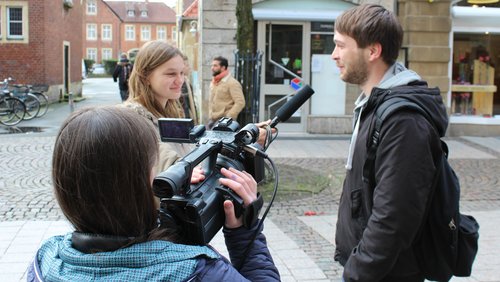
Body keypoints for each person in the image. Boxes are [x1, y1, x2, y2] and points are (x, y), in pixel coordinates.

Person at [27, 106, 280, 282]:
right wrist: (245, 232)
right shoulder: (200, 271)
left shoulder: (45, 262)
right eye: (155, 170)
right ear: (139, 184)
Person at [331, 4, 448, 282]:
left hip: (386, 273)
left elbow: (394, 217)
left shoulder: (403, 121)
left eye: (340, 46)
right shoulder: (374, 105)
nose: (334, 55)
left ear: (373, 51)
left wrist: (357, 274)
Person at [123, 40, 191, 173]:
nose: (180, 80)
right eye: (171, 74)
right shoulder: (131, 120)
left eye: (182, 73)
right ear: (145, 76)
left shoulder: (172, 112)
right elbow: (156, 158)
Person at [208, 56, 245, 129]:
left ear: (223, 67)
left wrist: (228, 117)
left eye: (215, 65)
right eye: (212, 65)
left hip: (224, 121)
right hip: (212, 119)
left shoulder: (232, 83)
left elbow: (240, 102)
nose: (212, 68)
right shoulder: (214, 82)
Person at [180, 54, 199, 124]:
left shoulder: (187, 82)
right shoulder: (180, 84)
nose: (189, 68)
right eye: (187, 65)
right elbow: (185, 107)